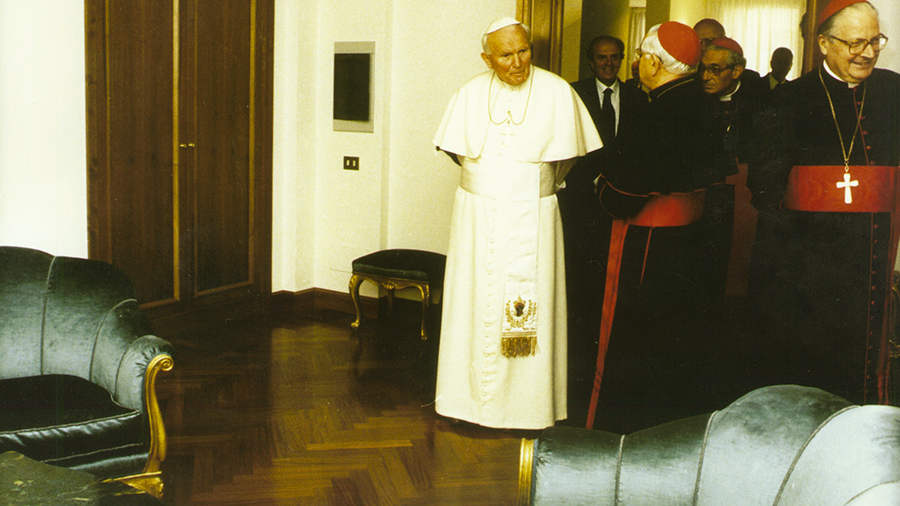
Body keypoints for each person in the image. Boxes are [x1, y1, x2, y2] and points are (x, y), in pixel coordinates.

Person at [432, 17, 602, 429]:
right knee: (473, 302)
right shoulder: (470, 94)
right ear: (487, 58)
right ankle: (466, 405)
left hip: (535, 215)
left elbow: (568, 159)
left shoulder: (557, 92)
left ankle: (528, 408)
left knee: (531, 304)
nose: (517, 62)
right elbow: (456, 151)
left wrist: (536, 184)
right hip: (478, 218)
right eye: (505, 55)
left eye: (523, 50)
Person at [747, 0, 899, 405]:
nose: (867, 53)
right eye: (854, 43)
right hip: (806, 264)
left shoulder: (893, 91)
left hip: (874, 254)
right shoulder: (788, 99)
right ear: (824, 44)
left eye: (874, 41)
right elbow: (763, 187)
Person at [586, 22, 731, 432]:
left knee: (635, 336)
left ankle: (622, 429)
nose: (635, 64)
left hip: (647, 241)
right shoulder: (703, 101)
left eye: (639, 56)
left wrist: (600, 187)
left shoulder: (656, 108)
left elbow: (623, 193)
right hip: (691, 239)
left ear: (654, 61)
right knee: (676, 334)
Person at [560, 35, 647, 427]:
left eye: (614, 58)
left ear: (622, 60)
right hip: (580, 200)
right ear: (590, 61)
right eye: (601, 58)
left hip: (622, 201)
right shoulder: (571, 94)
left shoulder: (638, 98)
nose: (608, 64)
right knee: (581, 276)